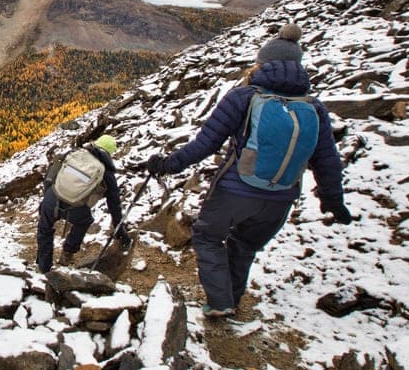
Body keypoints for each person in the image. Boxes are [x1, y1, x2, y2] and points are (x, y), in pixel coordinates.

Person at [146, 24, 351, 317]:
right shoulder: (314, 107)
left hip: (235, 190)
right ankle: (233, 298)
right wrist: (333, 200)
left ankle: (221, 302)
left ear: (263, 63)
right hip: (281, 198)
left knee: (206, 236)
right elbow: (328, 160)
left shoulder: (243, 97)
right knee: (244, 245)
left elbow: (205, 144)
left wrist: (167, 164)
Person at [36, 134, 123, 273]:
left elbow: (52, 173)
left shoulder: (74, 153)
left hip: (52, 197)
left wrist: (47, 197)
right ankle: (67, 253)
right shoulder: (106, 173)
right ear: (110, 153)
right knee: (84, 221)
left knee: (44, 230)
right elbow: (114, 204)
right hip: (75, 208)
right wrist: (120, 229)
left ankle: (43, 267)